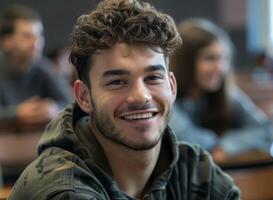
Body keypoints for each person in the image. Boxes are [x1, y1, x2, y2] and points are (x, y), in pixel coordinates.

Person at [8, 1, 239, 199]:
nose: (141, 96)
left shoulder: (194, 171)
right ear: (83, 97)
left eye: (153, 78)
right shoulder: (61, 188)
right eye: (117, 82)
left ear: (172, 86)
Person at [169, 19, 271, 161]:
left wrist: (227, 146)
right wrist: (218, 143)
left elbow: (264, 129)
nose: (221, 68)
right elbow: (183, 137)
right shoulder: (166, 96)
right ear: (186, 61)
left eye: (224, 58)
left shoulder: (228, 94)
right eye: (210, 58)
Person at [0, 4, 72, 127]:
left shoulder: (44, 68)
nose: (36, 43)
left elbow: (70, 103)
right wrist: (16, 114)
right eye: (27, 36)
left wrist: (54, 109)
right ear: (6, 42)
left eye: (39, 36)